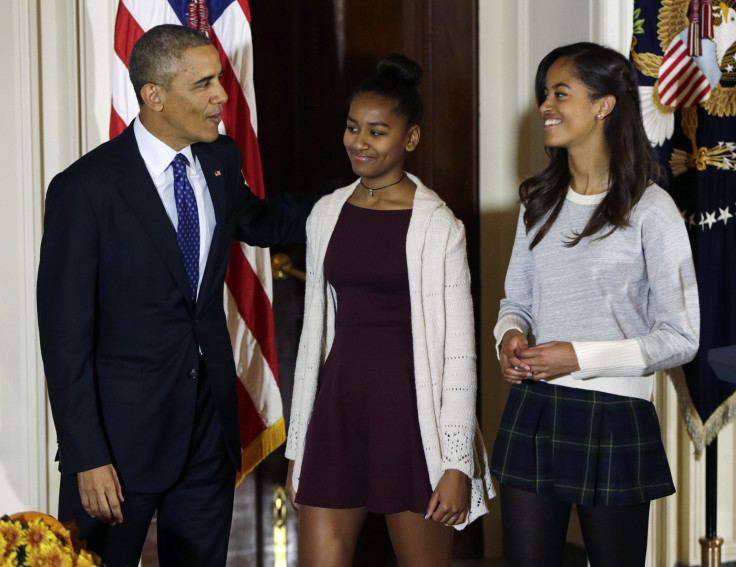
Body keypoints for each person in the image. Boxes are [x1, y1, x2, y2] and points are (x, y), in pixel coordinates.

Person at [36, 24, 314, 567]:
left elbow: (258, 221)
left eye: (220, 81)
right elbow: (64, 339)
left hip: (207, 438)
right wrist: (87, 456)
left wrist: (356, 194)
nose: (221, 97)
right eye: (204, 84)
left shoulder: (221, 160)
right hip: (115, 452)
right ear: (154, 95)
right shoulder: (85, 189)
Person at [490, 42, 700, 567]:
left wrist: (578, 357)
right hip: (534, 410)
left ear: (604, 104)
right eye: (544, 94)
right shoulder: (538, 201)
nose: (546, 106)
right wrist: (509, 336)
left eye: (561, 93)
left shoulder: (653, 210)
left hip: (616, 416)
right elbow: (516, 300)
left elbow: (681, 337)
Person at [284, 53, 494, 567]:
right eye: (353, 127)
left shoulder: (438, 225)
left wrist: (456, 463)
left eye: (377, 132)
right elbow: (314, 337)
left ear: (411, 139)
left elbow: (461, 355)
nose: (360, 141)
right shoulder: (326, 212)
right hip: (337, 408)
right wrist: (298, 446)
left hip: (410, 414)